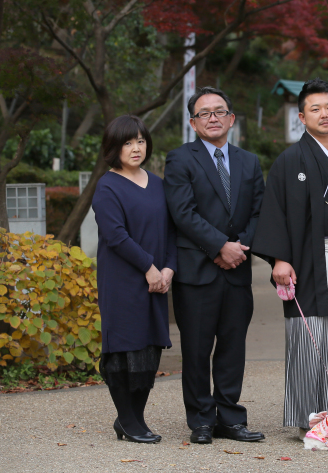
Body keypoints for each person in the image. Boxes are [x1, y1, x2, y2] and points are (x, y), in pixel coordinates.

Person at [252, 78, 328, 435]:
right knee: (310, 335)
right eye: (315, 109)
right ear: (301, 117)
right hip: (308, 261)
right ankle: (311, 417)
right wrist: (278, 259)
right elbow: (274, 211)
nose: (324, 114)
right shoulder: (290, 160)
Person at [163, 87, 265, 445]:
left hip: (237, 271)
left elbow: (258, 212)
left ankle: (231, 419)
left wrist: (239, 249)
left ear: (231, 119)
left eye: (219, 111)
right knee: (195, 350)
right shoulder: (179, 159)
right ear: (193, 122)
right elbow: (183, 213)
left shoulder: (249, 161)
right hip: (197, 272)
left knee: (232, 348)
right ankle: (201, 420)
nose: (213, 118)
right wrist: (220, 246)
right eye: (204, 113)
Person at [92, 115, 177, 444]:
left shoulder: (157, 183)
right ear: (114, 147)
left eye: (140, 140)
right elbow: (115, 235)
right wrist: (148, 267)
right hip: (122, 281)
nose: (136, 148)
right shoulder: (107, 186)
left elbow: (171, 232)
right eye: (128, 142)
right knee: (123, 351)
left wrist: (168, 268)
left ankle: (133, 419)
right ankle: (129, 420)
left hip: (156, 281)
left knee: (148, 349)